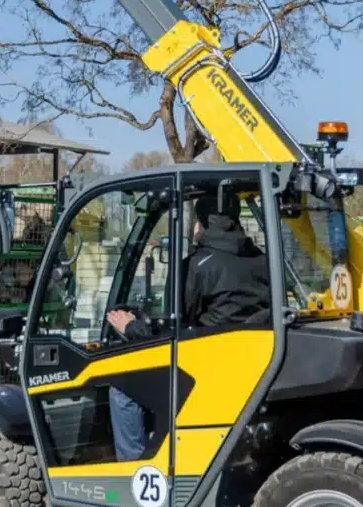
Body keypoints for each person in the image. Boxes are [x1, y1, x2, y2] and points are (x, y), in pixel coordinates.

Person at [103, 191, 271, 461]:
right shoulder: (264, 260)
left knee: (122, 390)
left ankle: (133, 469)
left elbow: (173, 333)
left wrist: (132, 327)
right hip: (245, 367)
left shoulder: (195, 266)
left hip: (202, 369)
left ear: (198, 224)